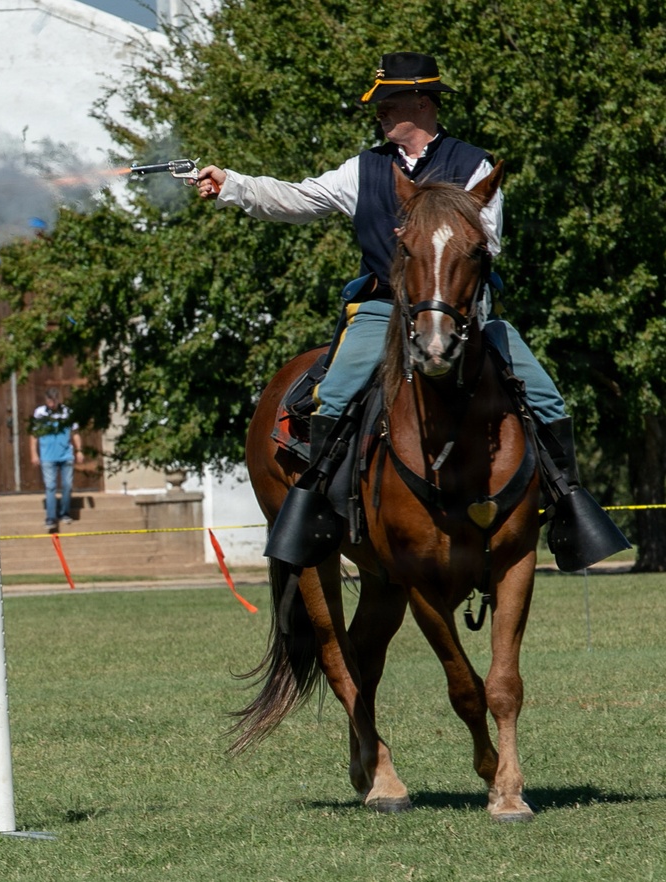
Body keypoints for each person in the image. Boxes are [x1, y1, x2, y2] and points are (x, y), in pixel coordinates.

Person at [196, 51, 629, 570]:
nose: (378, 112)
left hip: (468, 317)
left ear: (422, 102)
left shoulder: (477, 167)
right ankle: (321, 511)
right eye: (378, 104)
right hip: (384, 310)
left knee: (547, 397)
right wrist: (234, 186)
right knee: (332, 396)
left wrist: (431, 238)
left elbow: (487, 241)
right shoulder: (364, 169)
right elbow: (298, 198)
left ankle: (566, 507)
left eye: (389, 102)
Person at [29, 386, 83, 528]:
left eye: (54, 401)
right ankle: (51, 517)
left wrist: (79, 450)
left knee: (67, 485)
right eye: (49, 401)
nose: (52, 404)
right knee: (50, 486)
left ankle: (65, 512)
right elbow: (34, 435)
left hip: (66, 455)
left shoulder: (67, 412)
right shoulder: (39, 413)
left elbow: (75, 432)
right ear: (46, 400)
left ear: (58, 399)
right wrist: (34, 454)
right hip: (47, 456)